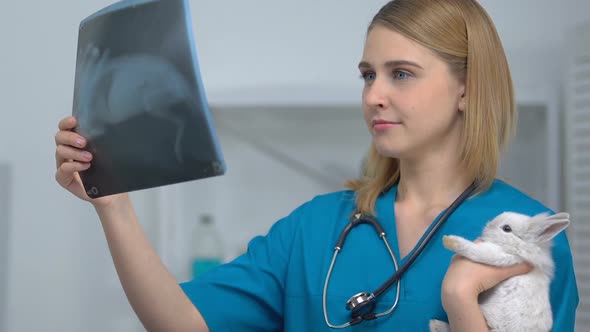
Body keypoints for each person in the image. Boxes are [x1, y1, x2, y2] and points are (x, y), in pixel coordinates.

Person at [54, 0, 579, 331]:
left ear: (467, 88)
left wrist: (461, 301)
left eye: (401, 74)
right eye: (367, 74)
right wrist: (114, 206)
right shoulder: (316, 227)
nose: (374, 94)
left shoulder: (524, 235)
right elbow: (182, 323)